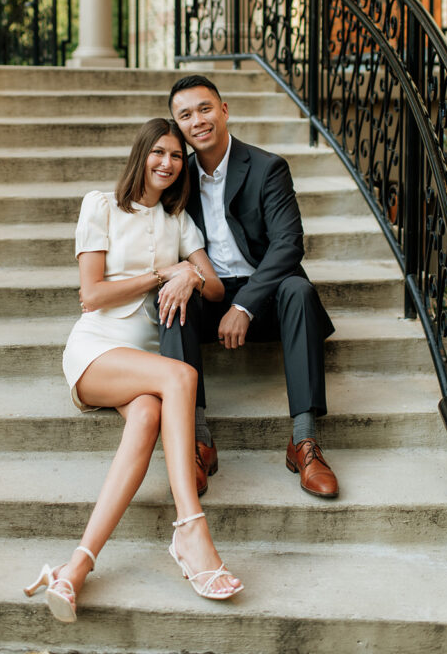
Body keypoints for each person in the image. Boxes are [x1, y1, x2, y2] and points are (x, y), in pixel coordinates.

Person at [23, 117, 243, 623]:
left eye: (176, 156)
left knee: (147, 416)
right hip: (97, 350)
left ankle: (74, 569)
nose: (168, 163)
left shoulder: (179, 221)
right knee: (181, 376)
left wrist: (191, 270)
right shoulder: (100, 204)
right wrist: (163, 273)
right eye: (159, 152)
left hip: (142, 360)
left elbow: (214, 291)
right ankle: (191, 529)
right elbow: (92, 293)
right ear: (141, 153)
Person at [162, 75, 339, 501]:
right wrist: (185, 273)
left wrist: (244, 306)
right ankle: (197, 440)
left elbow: (288, 245)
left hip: (267, 297)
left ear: (224, 111)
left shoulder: (266, 167)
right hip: (210, 296)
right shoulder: (176, 176)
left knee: (299, 290)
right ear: (178, 126)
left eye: (205, 108)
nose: (197, 120)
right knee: (171, 299)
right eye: (185, 115)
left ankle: (304, 442)